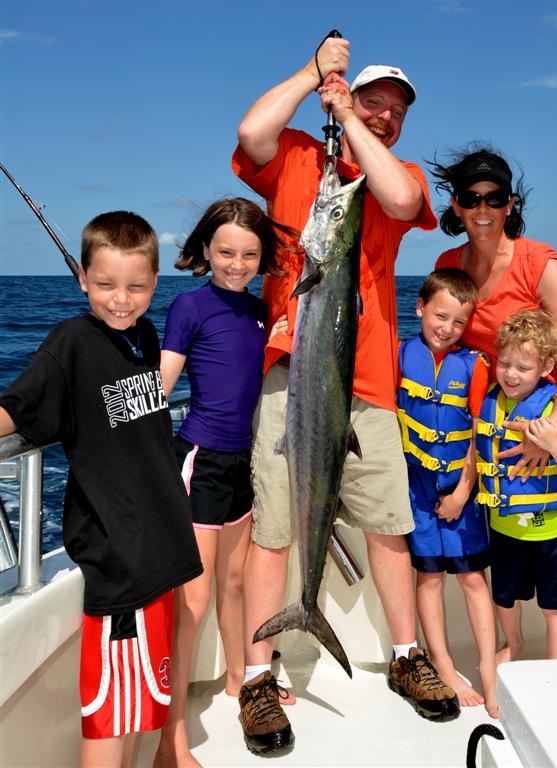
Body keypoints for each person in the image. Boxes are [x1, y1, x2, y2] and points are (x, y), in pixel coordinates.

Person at [231, 37, 447, 753]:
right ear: (349, 93)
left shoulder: (386, 174)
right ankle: (259, 679)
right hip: (293, 375)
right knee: (274, 529)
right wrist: (314, 75)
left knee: (389, 526)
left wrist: (351, 119)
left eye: (395, 111)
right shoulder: (295, 155)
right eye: (374, 101)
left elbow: (403, 197)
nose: (386, 116)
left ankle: (405, 659)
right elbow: (251, 133)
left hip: (368, 384)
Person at [0, 212, 202, 768]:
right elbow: (16, 408)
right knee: (110, 721)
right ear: (82, 279)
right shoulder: (70, 343)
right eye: (106, 285)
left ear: (156, 283)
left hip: (157, 552)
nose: (121, 300)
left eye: (136, 287)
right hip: (122, 566)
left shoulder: (143, 335)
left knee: (138, 712)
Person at [431, 146, 557, 660]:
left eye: (495, 198)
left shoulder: (540, 262)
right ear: (456, 205)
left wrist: (551, 430)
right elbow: (448, 342)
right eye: (472, 199)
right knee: (542, 539)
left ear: (510, 203)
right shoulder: (449, 265)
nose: (483, 209)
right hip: (509, 425)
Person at [153, 198, 292, 767]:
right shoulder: (189, 306)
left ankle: (241, 681)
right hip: (202, 462)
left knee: (235, 584)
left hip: (244, 464)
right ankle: (170, 739)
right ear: (205, 250)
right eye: (226, 252)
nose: (237, 263)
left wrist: (281, 331)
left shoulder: (261, 311)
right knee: (195, 599)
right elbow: (160, 386)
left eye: (250, 254)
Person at [398, 267, 498, 718]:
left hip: (462, 488)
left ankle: (488, 665)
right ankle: (442, 662)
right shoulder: (397, 354)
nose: (447, 329)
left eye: (458, 322)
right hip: (415, 488)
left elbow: (481, 433)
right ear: (420, 308)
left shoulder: (474, 365)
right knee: (429, 577)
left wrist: (462, 491)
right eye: (440, 316)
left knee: (474, 578)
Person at [477, 309, 557, 660]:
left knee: (555, 608)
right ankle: (514, 643)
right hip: (503, 527)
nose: (510, 374)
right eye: (504, 363)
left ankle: (556, 670)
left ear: (546, 368)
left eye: (522, 368)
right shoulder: (491, 401)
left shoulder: (552, 410)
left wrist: (554, 444)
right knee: (503, 597)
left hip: (548, 532)